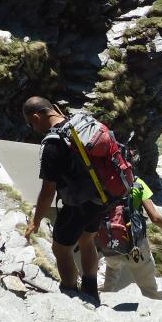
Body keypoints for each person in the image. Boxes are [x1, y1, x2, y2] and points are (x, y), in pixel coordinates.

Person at [20, 96, 105, 305]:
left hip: (77, 203)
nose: (33, 128)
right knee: (87, 240)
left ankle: (71, 294)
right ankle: (91, 289)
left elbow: (48, 191)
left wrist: (36, 221)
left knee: (60, 249)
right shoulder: (82, 122)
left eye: (31, 124)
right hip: (101, 196)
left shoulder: (52, 144)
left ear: (37, 116)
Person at [101, 176, 162, 300]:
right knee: (149, 286)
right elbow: (155, 218)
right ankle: (161, 307)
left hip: (110, 241)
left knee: (111, 271)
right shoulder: (137, 183)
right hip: (135, 245)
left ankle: (95, 301)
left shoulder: (104, 182)